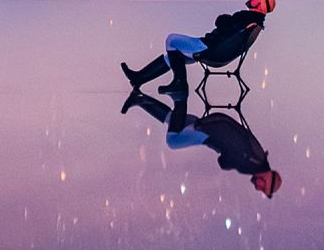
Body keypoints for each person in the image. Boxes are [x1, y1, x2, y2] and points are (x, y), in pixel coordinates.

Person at [121, 82, 282, 198]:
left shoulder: (258, 159)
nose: (258, 188)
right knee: (173, 140)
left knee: (173, 121)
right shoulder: (253, 163)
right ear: (266, 179)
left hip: (216, 125)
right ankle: (179, 99)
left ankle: (139, 99)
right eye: (263, 188)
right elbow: (225, 161)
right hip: (210, 133)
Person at [123, 0, 275, 93]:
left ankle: (180, 84)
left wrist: (223, 18)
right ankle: (139, 78)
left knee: (171, 40)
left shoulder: (246, 18)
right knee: (172, 56)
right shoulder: (253, 20)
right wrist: (226, 20)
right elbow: (227, 26)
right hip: (215, 49)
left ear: (260, 4)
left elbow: (223, 23)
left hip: (209, 48)